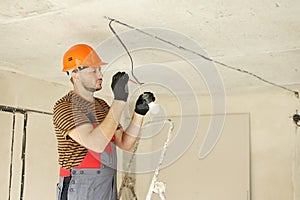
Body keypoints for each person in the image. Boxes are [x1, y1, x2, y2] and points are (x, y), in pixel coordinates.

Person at [53, 44, 155, 200]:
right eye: (93, 70)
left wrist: (139, 113)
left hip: (107, 183)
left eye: (99, 69)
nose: (100, 75)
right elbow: (96, 144)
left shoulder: (102, 106)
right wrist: (120, 100)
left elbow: (125, 143)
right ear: (75, 74)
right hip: (80, 185)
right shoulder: (65, 106)